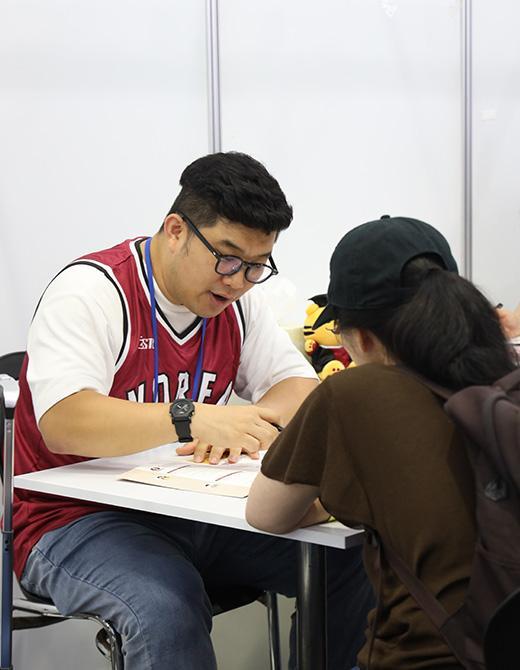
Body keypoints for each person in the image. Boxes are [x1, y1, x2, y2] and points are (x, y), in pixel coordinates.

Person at [14, 152, 373, 670]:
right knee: (162, 608)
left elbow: (298, 387)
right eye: (227, 258)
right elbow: (64, 421)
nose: (237, 280)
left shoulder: (237, 302)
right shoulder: (91, 290)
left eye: (256, 266)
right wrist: (191, 417)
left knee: (355, 557)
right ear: (176, 230)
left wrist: (253, 421)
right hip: (74, 522)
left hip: (198, 511)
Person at [247, 215, 518, 670]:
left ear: (362, 337)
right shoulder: (505, 380)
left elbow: (267, 514)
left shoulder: (353, 393)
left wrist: (333, 497)